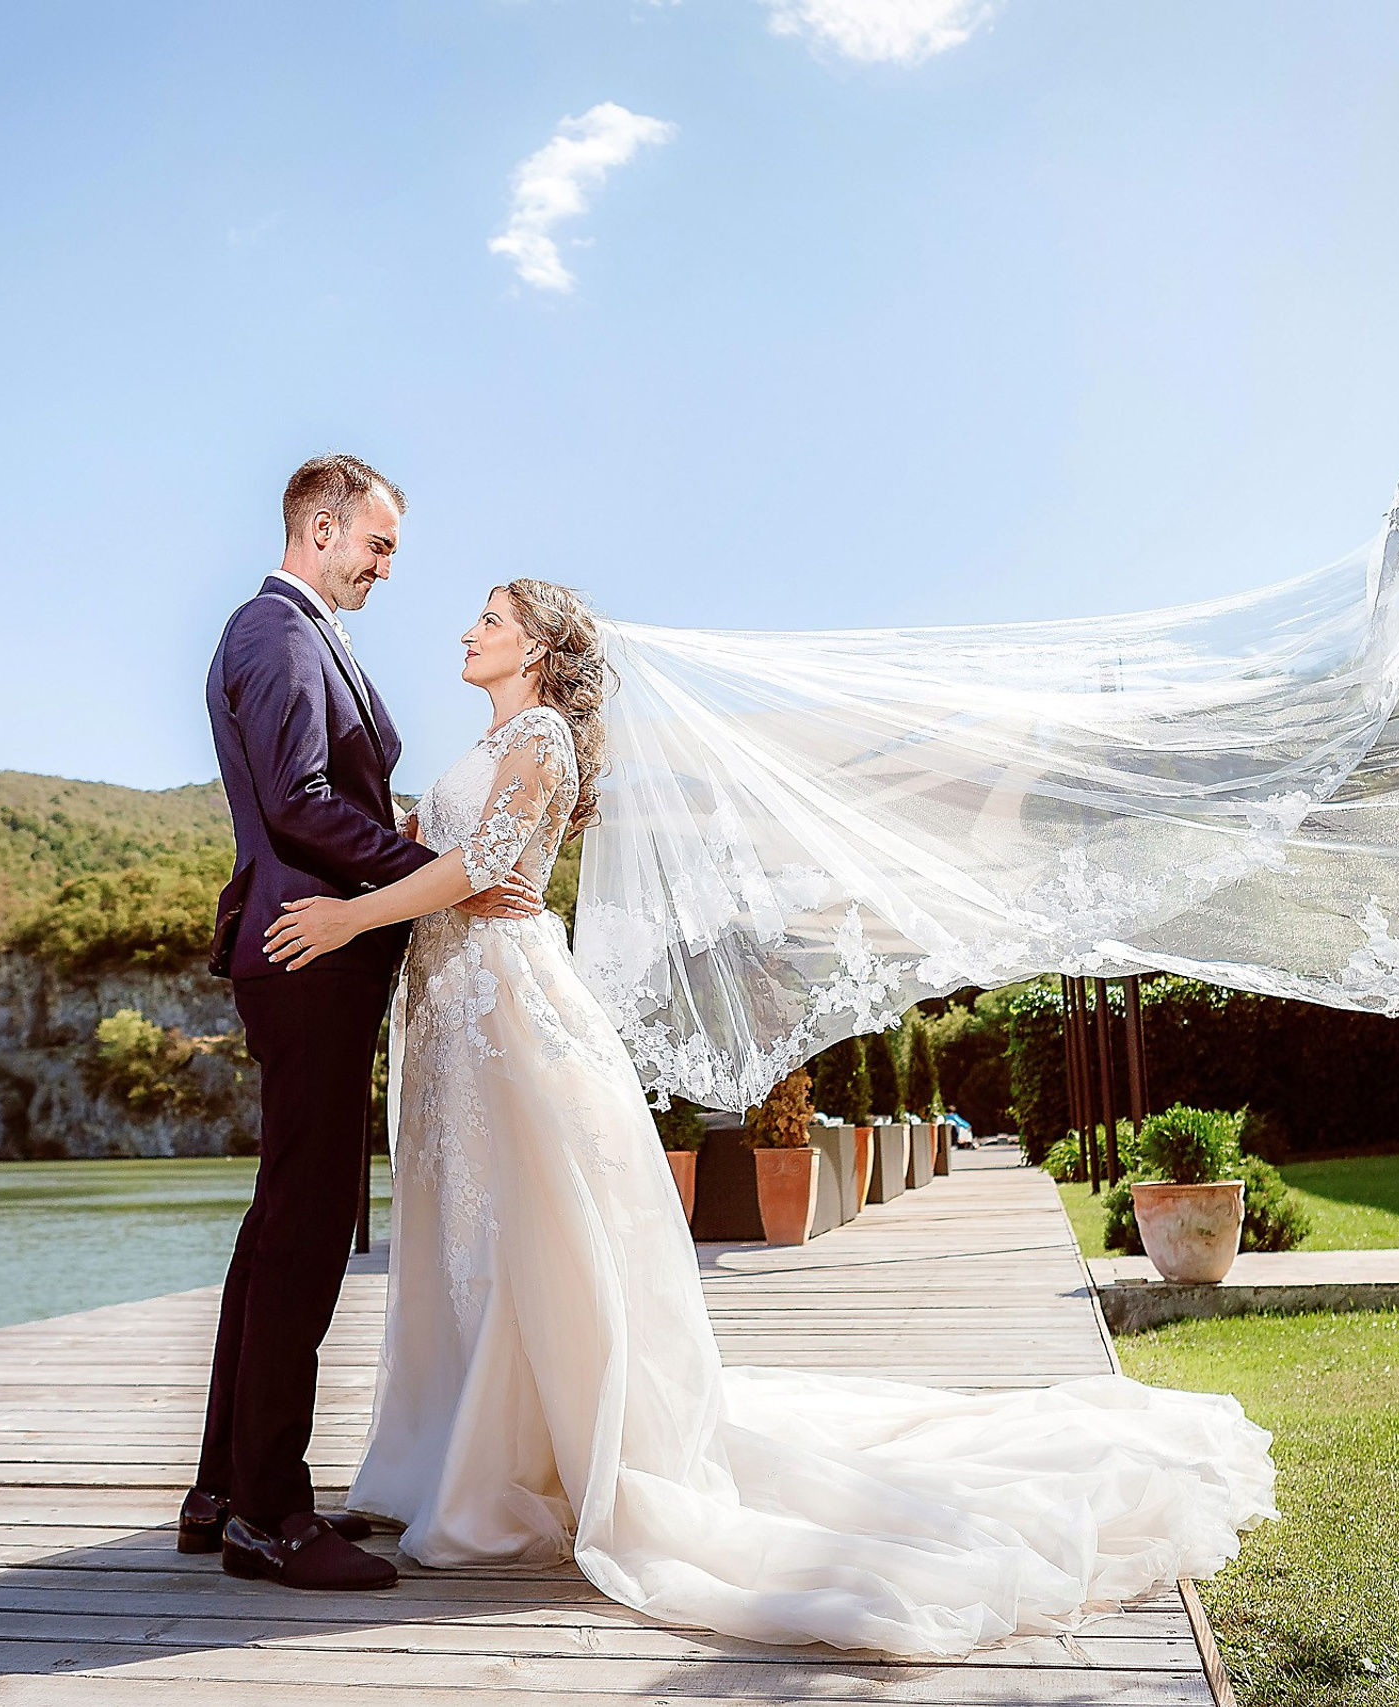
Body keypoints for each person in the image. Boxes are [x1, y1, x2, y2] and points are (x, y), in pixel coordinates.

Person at [259, 579, 1278, 1656]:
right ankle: (444, 1457)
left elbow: (482, 869)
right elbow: (410, 843)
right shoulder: (481, 745)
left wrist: (346, 918)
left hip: (507, 1003)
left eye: (492, 621)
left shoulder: (546, 738)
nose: (467, 632)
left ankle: (528, 1464)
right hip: (449, 1013)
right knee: (466, 1232)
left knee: (528, 1226)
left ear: (541, 648)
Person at [180, 455, 543, 1594]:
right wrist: (448, 877)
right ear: (323, 527)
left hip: (315, 947)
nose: (387, 567)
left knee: (282, 1216)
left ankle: (222, 1491)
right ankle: (272, 1516)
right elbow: (299, 804)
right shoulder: (278, 633)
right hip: (310, 949)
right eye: (377, 545)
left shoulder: (297, 635)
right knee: (304, 1227)